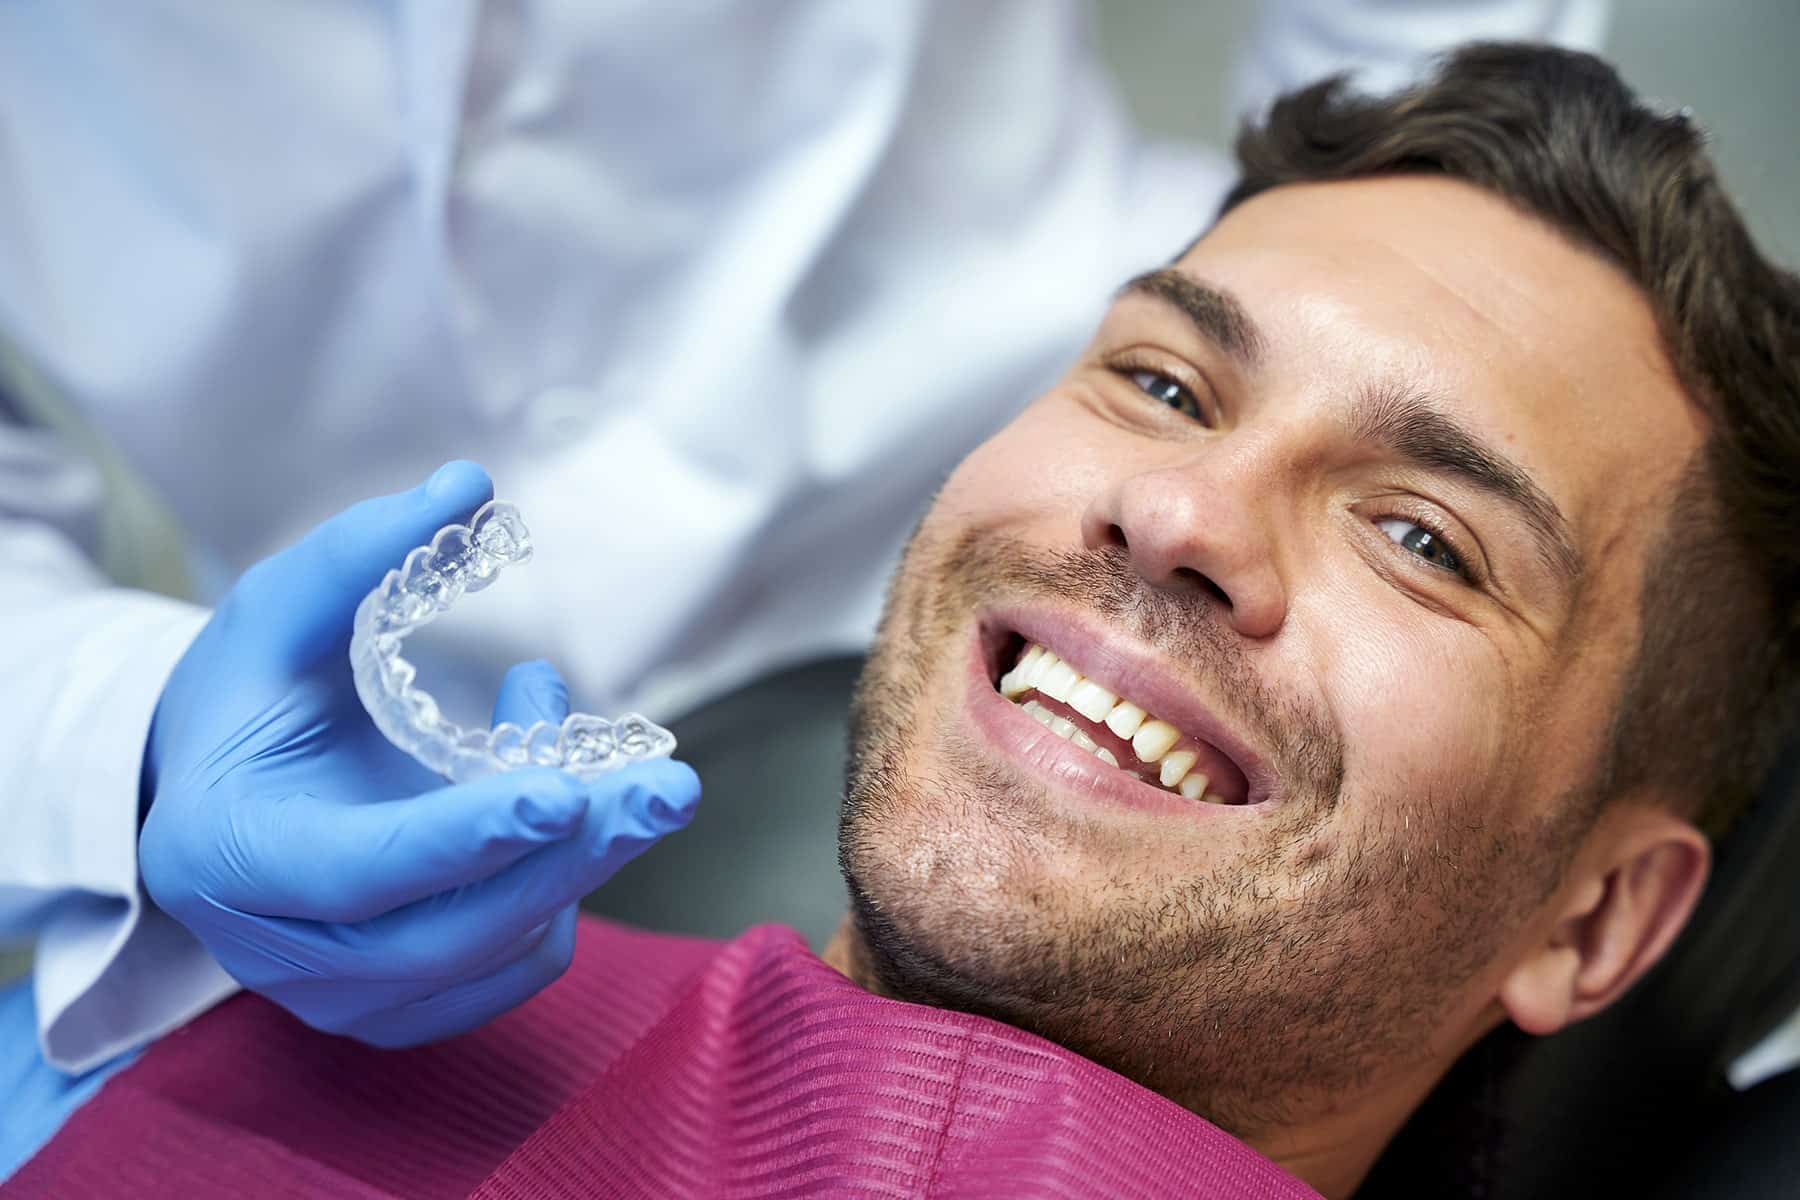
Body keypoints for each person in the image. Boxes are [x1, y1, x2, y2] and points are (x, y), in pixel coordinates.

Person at [8, 41, 1798, 1199]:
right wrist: (134, 736)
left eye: (1422, 535)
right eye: (1167, 387)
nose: (1176, 513)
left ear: (1595, 918)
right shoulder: (151, 1047)